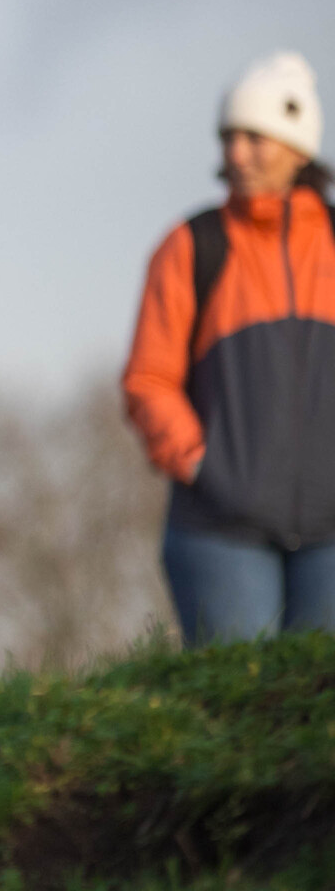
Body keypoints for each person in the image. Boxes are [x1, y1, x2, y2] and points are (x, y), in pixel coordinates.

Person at [122, 51, 335, 646]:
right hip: (220, 531)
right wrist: (202, 465)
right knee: (237, 713)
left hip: (332, 535)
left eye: (254, 137)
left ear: (297, 145)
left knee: (321, 724)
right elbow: (148, 379)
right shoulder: (192, 246)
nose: (236, 154)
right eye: (228, 138)